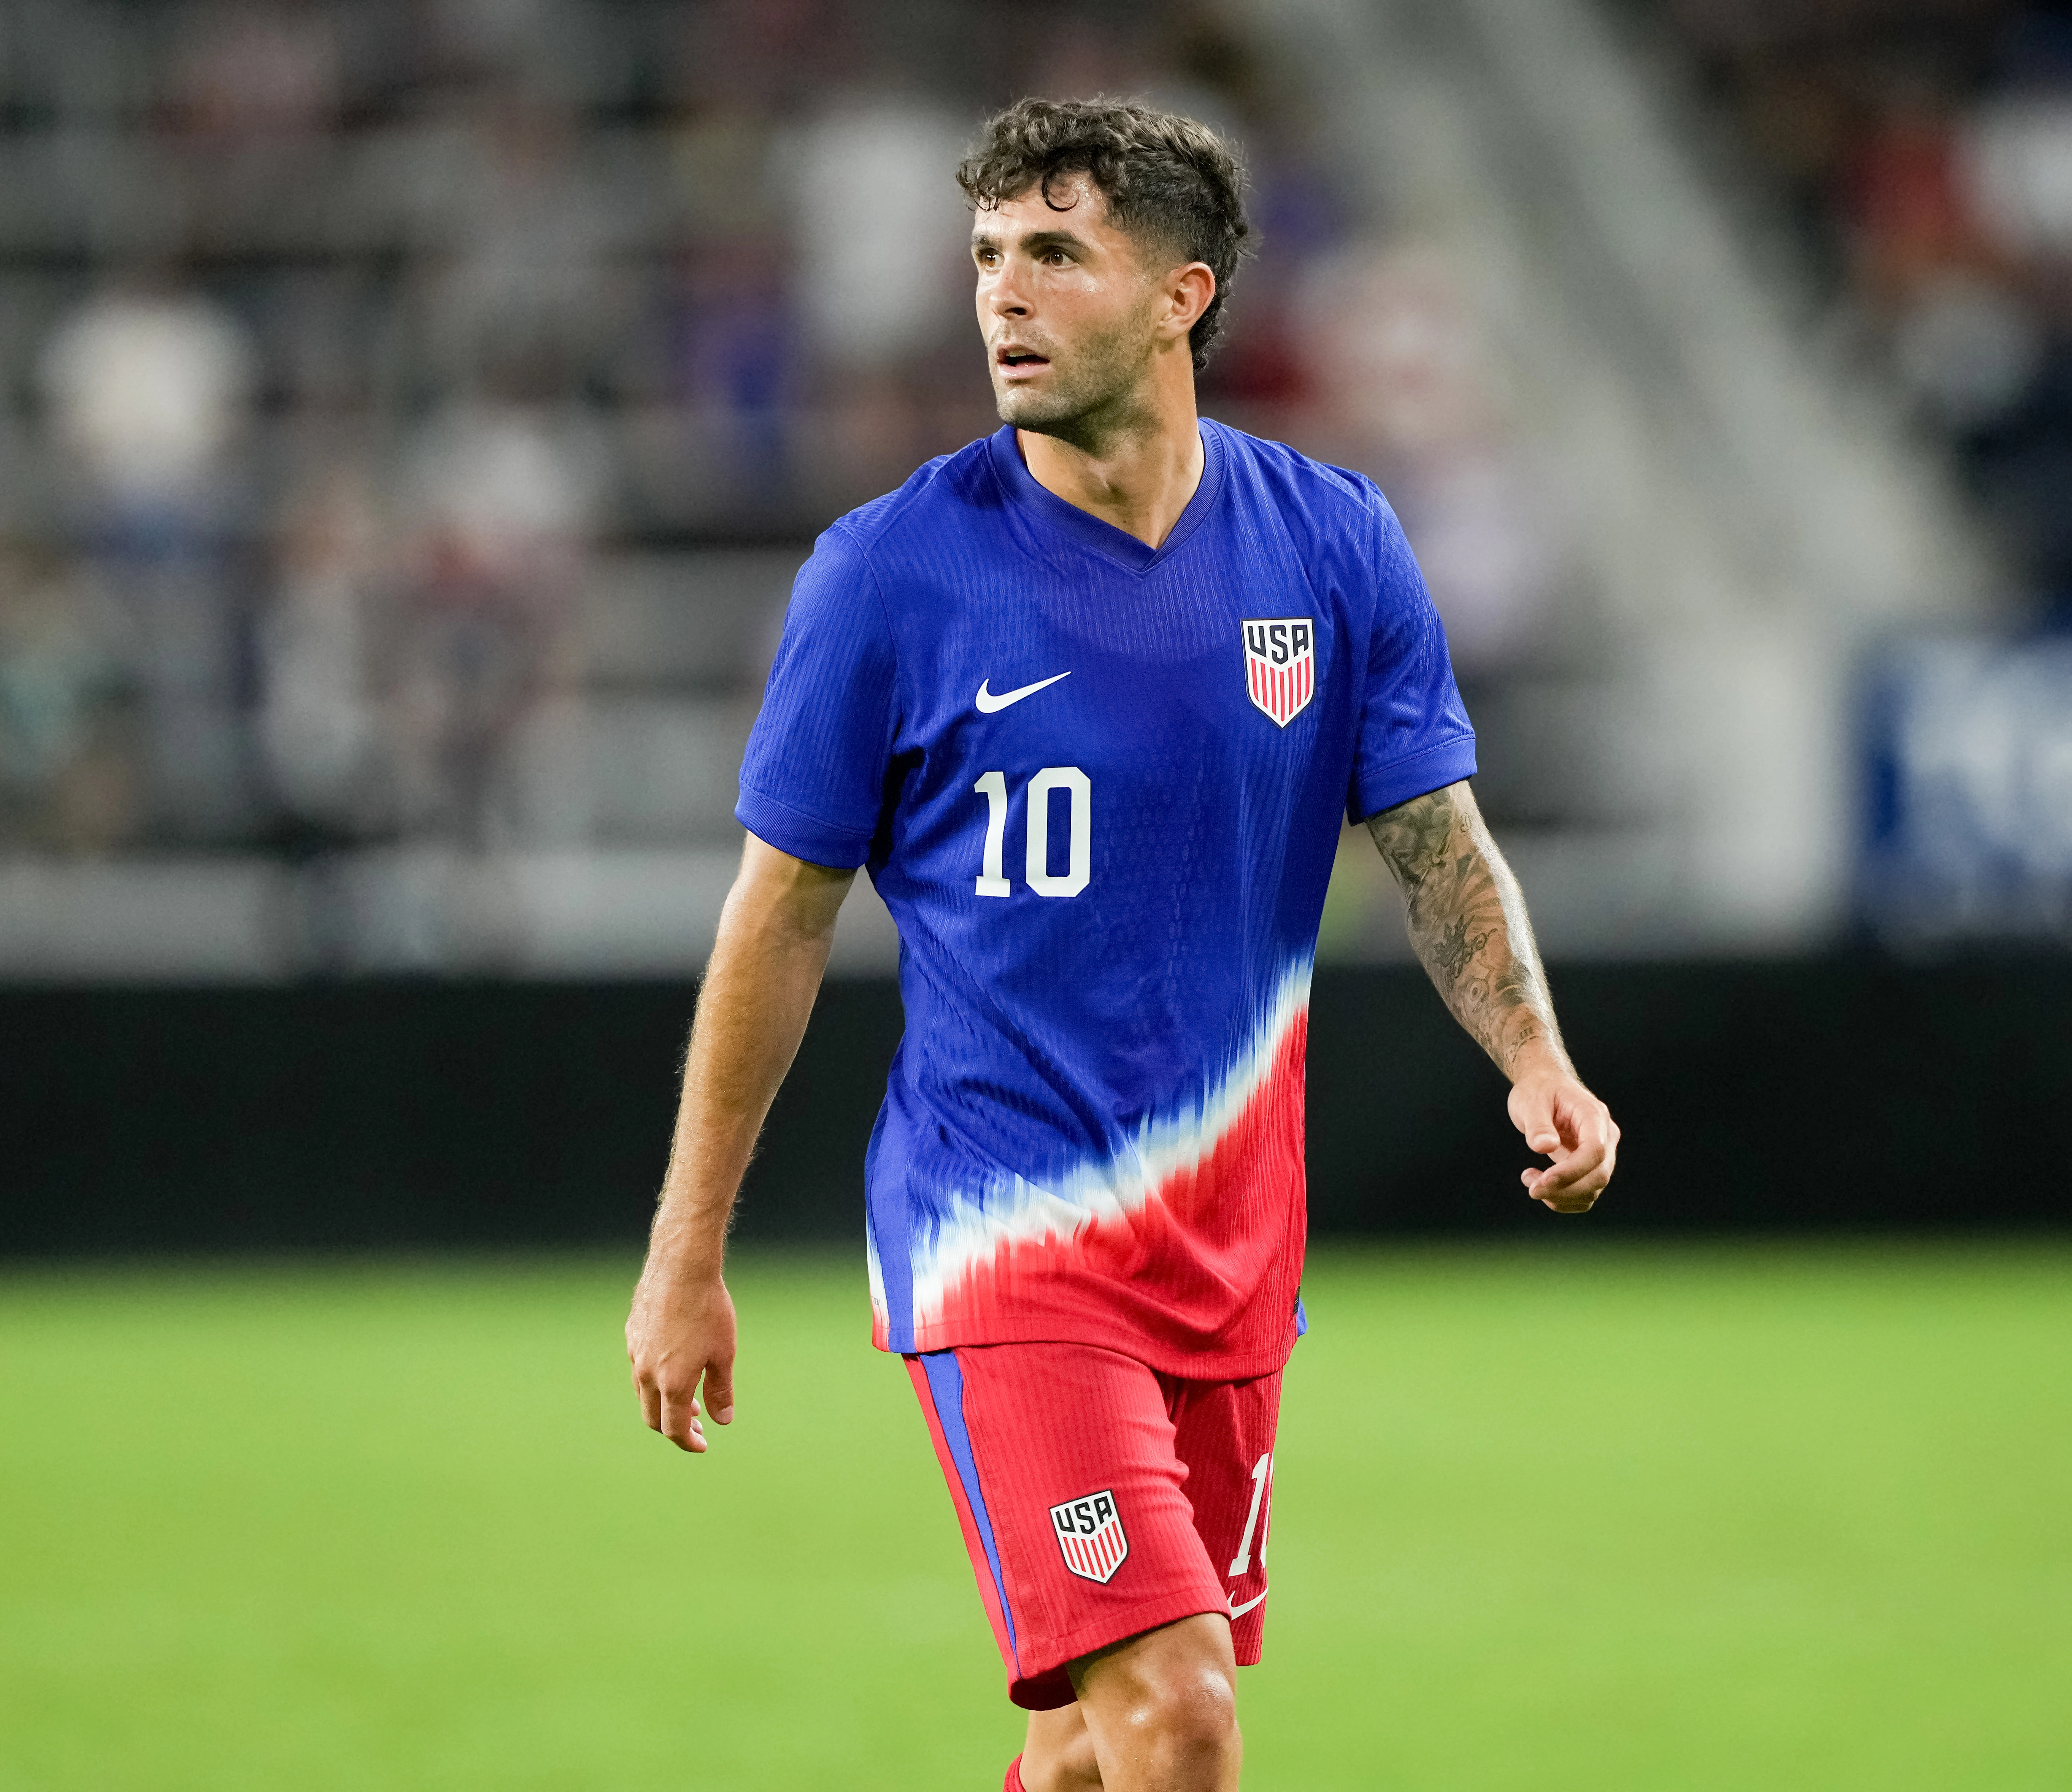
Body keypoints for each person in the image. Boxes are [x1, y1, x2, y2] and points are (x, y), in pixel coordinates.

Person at [624, 98, 1619, 1792]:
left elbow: (1437, 843)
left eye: (1054, 253)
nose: (1001, 294)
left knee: (1092, 1749)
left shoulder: (1332, 543)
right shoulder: (887, 575)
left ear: (1182, 294)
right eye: (986, 255)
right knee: (1180, 1718)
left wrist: (1535, 1055)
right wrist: (685, 1249)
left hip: (1231, 1250)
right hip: (1005, 1241)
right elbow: (777, 918)